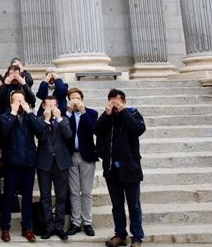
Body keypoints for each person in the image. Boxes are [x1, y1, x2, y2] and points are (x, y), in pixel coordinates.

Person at [94, 89, 146, 247]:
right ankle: (120, 235)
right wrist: (106, 114)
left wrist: (123, 111)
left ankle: (137, 237)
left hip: (130, 168)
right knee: (117, 205)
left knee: (134, 205)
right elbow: (96, 130)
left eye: (117, 102)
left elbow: (138, 129)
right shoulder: (107, 117)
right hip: (111, 169)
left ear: (124, 102)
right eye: (112, 102)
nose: (115, 105)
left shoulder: (133, 113)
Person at [0, 91, 44, 243]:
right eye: (16, 101)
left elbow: (40, 132)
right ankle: (5, 228)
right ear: (11, 102)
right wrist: (12, 113)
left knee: (27, 197)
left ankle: (27, 228)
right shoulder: (5, 116)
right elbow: (3, 133)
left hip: (28, 162)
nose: (19, 103)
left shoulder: (30, 117)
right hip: (11, 162)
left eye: (21, 100)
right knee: (9, 196)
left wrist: (30, 112)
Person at [36, 96, 72, 241]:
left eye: (53, 105)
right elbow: (40, 137)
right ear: (43, 106)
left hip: (61, 163)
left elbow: (68, 135)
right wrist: (46, 120)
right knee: (45, 197)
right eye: (47, 105)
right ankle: (49, 227)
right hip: (44, 163)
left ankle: (59, 227)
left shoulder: (64, 120)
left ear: (57, 106)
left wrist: (58, 119)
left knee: (61, 197)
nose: (50, 108)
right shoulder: (39, 121)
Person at [66, 87, 99, 237]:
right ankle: (75, 222)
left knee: (86, 191)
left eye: (77, 98)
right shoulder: (67, 114)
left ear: (82, 99)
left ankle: (87, 222)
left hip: (87, 155)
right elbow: (64, 130)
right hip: (72, 155)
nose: (75, 101)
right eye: (72, 98)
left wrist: (83, 111)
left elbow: (94, 129)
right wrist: (68, 112)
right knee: (73, 191)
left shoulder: (91, 113)